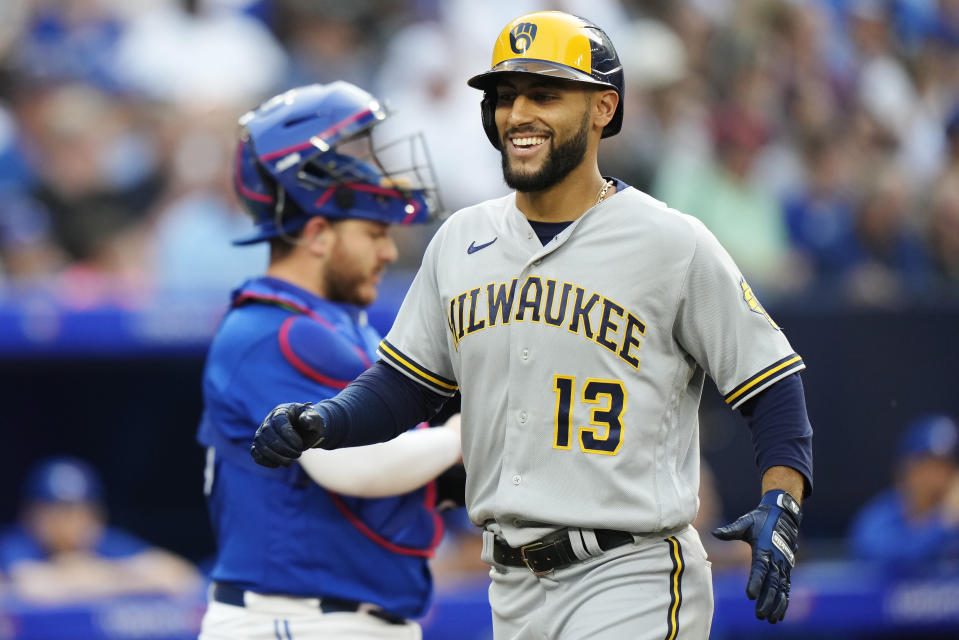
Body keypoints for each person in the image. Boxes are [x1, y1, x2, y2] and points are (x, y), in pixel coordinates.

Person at [250, 12, 814, 639]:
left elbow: (771, 382)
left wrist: (781, 501)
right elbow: (403, 385)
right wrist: (325, 421)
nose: (517, 113)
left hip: (632, 574)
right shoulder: (461, 238)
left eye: (544, 94)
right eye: (505, 96)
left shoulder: (670, 242)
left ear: (603, 108)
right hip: (511, 585)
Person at [196, 81, 464, 640]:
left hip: (338, 617)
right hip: (295, 618)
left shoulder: (337, 327)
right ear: (317, 234)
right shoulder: (275, 328)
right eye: (373, 232)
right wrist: (468, 433)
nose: (388, 252)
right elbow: (350, 464)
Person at [0, 456, 201, 603]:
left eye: (81, 510)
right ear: (33, 514)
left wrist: (92, 573)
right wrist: (121, 578)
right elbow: (33, 587)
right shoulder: (16, 543)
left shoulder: (105, 542)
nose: (73, 521)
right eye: (59, 511)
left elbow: (181, 576)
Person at [848, 414, 959, 565]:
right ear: (907, 470)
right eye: (929, 466)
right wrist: (942, 523)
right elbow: (881, 558)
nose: (939, 479)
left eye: (947, 467)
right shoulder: (880, 517)